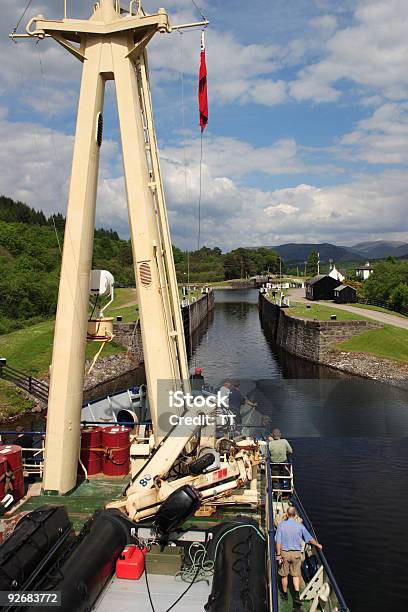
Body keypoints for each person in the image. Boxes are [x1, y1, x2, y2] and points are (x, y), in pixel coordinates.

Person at [275, 506, 322, 603]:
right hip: (296, 554)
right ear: (295, 515)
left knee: (284, 575)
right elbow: (309, 539)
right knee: (295, 575)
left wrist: (278, 554)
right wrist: (318, 545)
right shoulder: (300, 526)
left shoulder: (281, 526)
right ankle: (296, 596)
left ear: (287, 515)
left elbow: (278, 541)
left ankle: (285, 595)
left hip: (285, 553)